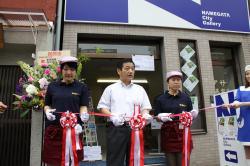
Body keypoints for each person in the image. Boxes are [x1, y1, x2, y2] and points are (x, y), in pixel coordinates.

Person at [97, 59, 153, 166]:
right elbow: (102, 107)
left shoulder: (140, 89)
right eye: (127, 68)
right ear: (119, 71)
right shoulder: (110, 89)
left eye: (132, 69)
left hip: (135, 129)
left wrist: (145, 114)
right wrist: (112, 115)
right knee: (115, 160)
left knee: (134, 160)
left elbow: (145, 107)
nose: (130, 71)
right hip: (116, 129)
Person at [43, 56, 90, 166]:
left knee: (72, 161)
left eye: (72, 70)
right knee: (53, 162)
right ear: (61, 70)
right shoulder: (52, 86)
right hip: (54, 131)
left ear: (76, 72)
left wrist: (84, 114)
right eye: (66, 69)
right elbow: (47, 104)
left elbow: (83, 105)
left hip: (74, 131)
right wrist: (47, 111)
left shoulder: (82, 87)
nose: (69, 72)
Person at [154, 71, 198, 166]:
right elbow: (156, 117)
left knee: (183, 162)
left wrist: (193, 115)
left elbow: (191, 113)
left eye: (178, 80)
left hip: (183, 134)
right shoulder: (160, 99)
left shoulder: (186, 98)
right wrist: (162, 117)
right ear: (168, 82)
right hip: (168, 134)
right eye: (173, 80)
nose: (176, 82)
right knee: (171, 163)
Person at [224, 65, 250, 166]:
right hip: (245, 123)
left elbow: (241, 103)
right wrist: (230, 105)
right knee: (247, 147)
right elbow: (236, 101)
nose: (248, 76)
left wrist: (241, 104)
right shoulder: (241, 88)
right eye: (247, 74)